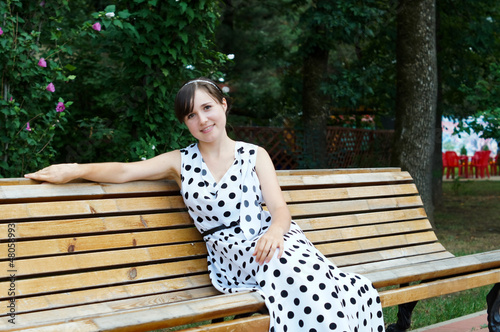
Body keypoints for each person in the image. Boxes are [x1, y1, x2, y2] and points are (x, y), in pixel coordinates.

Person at [25, 77, 385, 332]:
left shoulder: (254, 155)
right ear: (186, 122)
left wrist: (275, 232)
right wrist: (74, 170)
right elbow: (124, 171)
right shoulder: (178, 162)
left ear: (224, 105)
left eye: (208, 107)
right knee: (301, 279)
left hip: (273, 243)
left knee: (305, 276)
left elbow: (279, 209)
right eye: (191, 115)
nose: (202, 120)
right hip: (232, 258)